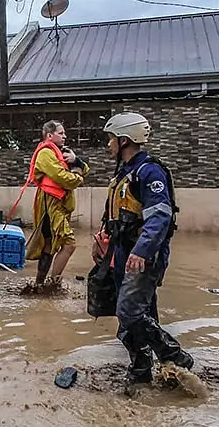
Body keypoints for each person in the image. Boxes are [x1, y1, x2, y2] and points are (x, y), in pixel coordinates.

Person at [92, 111, 193, 385]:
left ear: (124, 140)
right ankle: (143, 371)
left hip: (142, 257)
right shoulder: (124, 173)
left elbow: (160, 216)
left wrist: (142, 251)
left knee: (129, 311)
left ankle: (174, 355)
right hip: (121, 253)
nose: (108, 145)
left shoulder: (149, 172)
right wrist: (102, 239)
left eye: (111, 139)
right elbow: (116, 213)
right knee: (138, 313)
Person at [22, 120, 89, 294]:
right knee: (69, 244)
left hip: (60, 203)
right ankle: (53, 285)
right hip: (50, 203)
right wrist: (77, 176)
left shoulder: (63, 153)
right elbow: (62, 177)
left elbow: (85, 169)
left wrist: (77, 161)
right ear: (49, 135)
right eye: (61, 133)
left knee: (49, 244)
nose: (65, 136)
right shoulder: (45, 153)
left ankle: (39, 284)